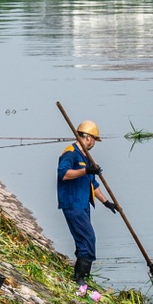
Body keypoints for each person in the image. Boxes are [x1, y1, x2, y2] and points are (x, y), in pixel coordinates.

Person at [57, 119, 116, 284]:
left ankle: (81, 276)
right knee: (88, 239)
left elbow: (93, 183)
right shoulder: (70, 153)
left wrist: (106, 202)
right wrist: (85, 170)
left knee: (83, 240)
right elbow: (64, 174)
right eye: (93, 140)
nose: (93, 144)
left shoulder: (87, 157)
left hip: (83, 204)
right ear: (87, 137)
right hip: (72, 203)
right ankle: (80, 279)